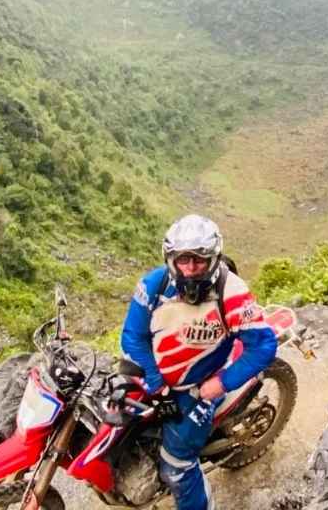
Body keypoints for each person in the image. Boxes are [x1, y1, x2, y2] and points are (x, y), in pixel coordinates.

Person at [121, 215, 277, 510]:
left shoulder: (232, 292)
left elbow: (264, 345)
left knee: (176, 467)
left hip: (200, 386)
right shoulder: (154, 285)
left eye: (199, 260)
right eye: (183, 259)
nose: (190, 268)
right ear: (171, 259)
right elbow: (133, 336)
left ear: (213, 258)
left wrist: (222, 383)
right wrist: (154, 378)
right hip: (157, 378)